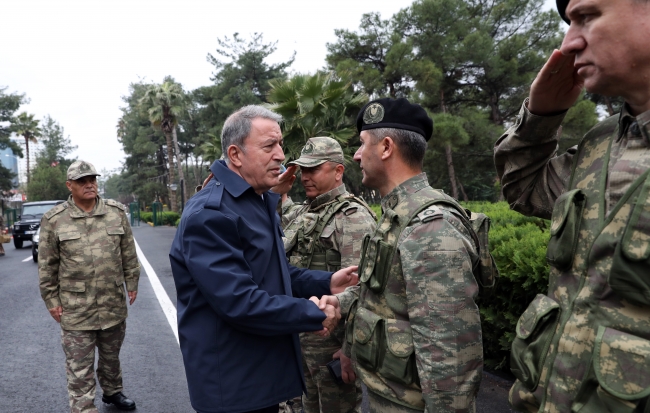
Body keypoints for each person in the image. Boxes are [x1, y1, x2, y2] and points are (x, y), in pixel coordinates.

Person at [494, 0, 650, 411]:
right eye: (567, 22)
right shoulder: (601, 145)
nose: (569, 43)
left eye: (587, 16)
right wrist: (541, 115)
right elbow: (524, 188)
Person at [169, 105, 359, 413]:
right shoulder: (212, 214)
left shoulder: (252, 200)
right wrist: (312, 313)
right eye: (269, 146)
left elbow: (272, 272)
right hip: (233, 385)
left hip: (258, 374)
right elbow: (239, 301)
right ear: (236, 155)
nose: (281, 155)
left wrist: (326, 281)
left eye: (280, 144)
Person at [320, 98, 484, 412]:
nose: (356, 155)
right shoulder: (395, 216)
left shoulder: (431, 227)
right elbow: (381, 296)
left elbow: (449, 352)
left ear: (385, 148)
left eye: (361, 144)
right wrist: (342, 311)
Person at [278, 136, 377, 413]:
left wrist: (349, 349)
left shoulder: (352, 217)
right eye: (303, 170)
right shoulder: (306, 212)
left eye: (314, 169)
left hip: (331, 343)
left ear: (337, 171)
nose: (305, 177)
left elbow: (361, 290)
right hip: (301, 336)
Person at [38, 160, 139, 413]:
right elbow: (47, 266)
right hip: (76, 308)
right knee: (79, 365)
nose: (89, 184)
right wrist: (51, 301)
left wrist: (132, 283)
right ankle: (84, 407)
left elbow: (128, 253)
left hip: (112, 302)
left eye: (92, 179)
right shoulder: (55, 220)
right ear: (69, 185)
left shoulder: (115, 213)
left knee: (110, 357)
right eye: (82, 181)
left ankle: (113, 391)